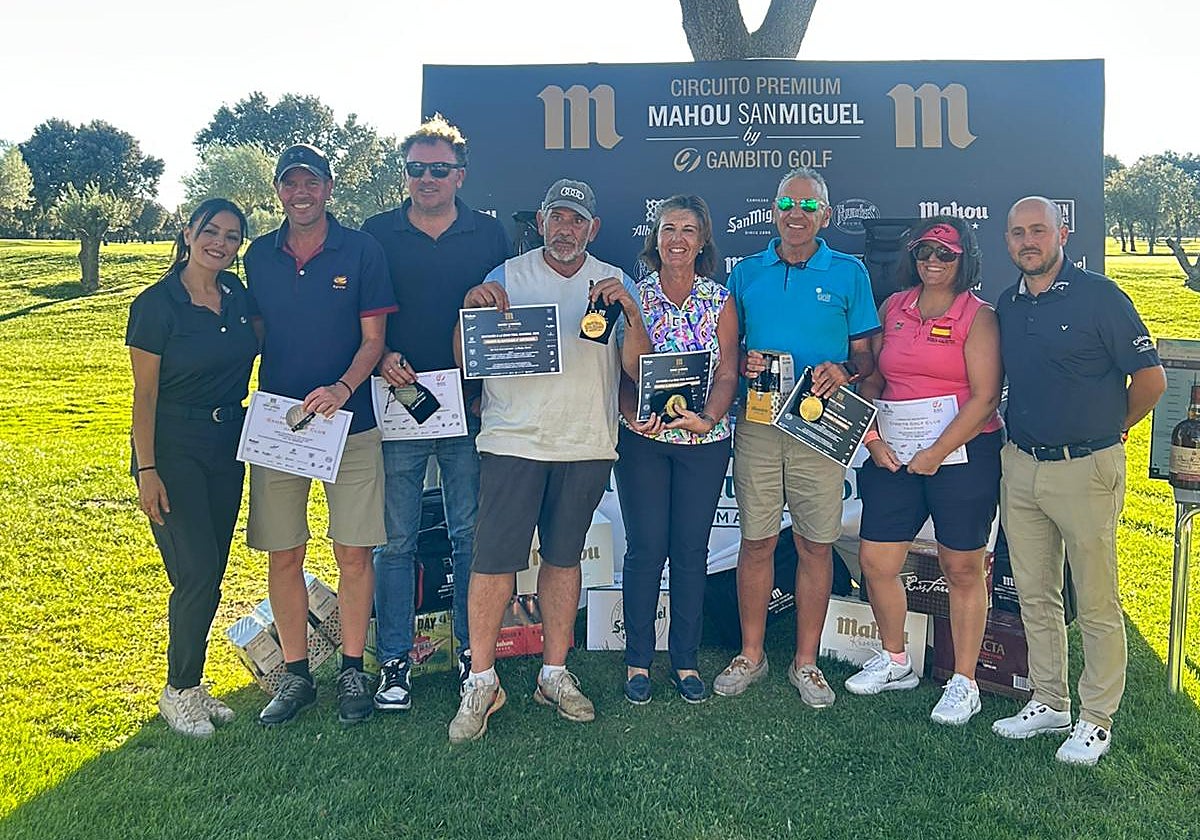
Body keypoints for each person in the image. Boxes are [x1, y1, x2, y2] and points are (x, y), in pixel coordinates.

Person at [447, 178, 651, 743]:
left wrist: (631, 313)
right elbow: (464, 358)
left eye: (577, 220)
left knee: (564, 560)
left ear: (594, 228)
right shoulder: (505, 275)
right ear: (540, 223)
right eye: (557, 217)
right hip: (513, 442)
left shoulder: (614, 281)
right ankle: (481, 680)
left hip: (585, 442)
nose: (566, 229)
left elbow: (638, 368)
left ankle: (553, 673)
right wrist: (469, 311)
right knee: (493, 564)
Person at [991, 196, 1165, 765]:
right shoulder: (1008, 303)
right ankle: (1049, 700)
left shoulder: (1100, 296)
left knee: (1094, 599)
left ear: (1062, 233)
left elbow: (1151, 381)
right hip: (1022, 465)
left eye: (1038, 230)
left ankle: (1097, 718)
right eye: (1018, 232)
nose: (1028, 241)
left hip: (1086, 467)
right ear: (1008, 241)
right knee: (1036, 593)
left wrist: (1109, 429)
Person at [243, 144, 397, 726]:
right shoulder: (258, 256)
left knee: (353, 552)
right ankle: (296, 675)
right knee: (284, 552)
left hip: (350, 423)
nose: (301, 193)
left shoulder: (361, 250)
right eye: (291, 183)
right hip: (280, 427)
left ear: (329, 188)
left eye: (312, 182)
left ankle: (353, 669)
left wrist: (342, 388)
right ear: (279, 191)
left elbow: (373, 341)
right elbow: (258, 334)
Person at [361, 116, 511, 712]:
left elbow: (505, 322)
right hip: (398, 401)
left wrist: (485, 387)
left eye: (439, 169)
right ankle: (394, 660)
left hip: (468, 407)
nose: (427, 178)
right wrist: (380, 357)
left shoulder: (490, 234)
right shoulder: (377, 232)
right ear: (405, 174)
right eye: (417, 169)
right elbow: (361, 315)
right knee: (395, 540)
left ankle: (474, 655)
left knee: (468, 534)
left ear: (460, 176)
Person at [717, 167, 880, 707]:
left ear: (825, 216)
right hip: (760, 424)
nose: (796, 214)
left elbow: (867, 357)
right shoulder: (746, 273)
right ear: (773, 211)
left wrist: (845, 371)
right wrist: (745, 361)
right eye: (787, 203)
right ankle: (752, 655)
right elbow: (729, 353)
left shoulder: (850, 272)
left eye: (809, 206)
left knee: (815, 544)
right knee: (757, 541)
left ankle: (805, 662)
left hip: (821, 426)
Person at [844, 217, 1002, 726]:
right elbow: (873, 378)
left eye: (945, 253)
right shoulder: (894, 307)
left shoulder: (979, 315)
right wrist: (872, 437)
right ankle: (896, 660)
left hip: (963, 453)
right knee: (876, 561)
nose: (933, 261)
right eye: (924, 252)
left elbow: (985, 398)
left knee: (962, 568)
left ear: (964, 259)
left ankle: (964, 682)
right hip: (896, 452)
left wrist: (937, 451)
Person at [126, 198, 257, 737]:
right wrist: (147, 470)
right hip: (172, 448)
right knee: (196, 570)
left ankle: (192, 683)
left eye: (232, 236)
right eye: (211, 231)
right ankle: (177, 690)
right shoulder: (157, 305)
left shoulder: (238, 297)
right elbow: (144, 395)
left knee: (211, 572)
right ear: (187, 233)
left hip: (227, 445)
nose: (220, 243)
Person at [615, 195, 738, 705]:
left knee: (690, 551)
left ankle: (685, 659)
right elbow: (626, 373)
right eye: (668, 229)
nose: (678, 239)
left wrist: (707, 418)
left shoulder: (720, 299)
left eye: (688, 230)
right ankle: (638, 660)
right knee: (645, 550)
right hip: (644, 441)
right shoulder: (634, 295)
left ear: (703, 240)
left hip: (702, 441)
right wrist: (630, 415)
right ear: (656, 237)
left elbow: (727, 373)